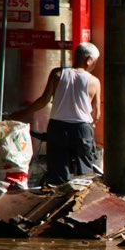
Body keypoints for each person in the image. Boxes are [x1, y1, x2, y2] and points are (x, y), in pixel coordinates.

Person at [11, 42, 101, 185]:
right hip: (82, 130)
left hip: (58, 129)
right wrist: (92, 125)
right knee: (86, 173)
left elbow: (43, 101)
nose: (95, 65)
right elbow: (96, 114)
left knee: (58, 174)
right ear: (89, 60)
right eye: (95, 62)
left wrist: (19, 114)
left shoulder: (58, 74)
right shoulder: (94, 81)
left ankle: (59, 202)